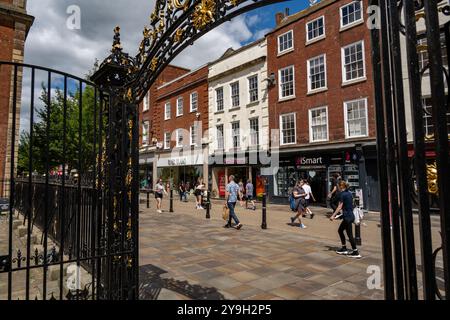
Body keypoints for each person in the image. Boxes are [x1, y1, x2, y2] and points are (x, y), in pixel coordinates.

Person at [330, 181, 361, 258]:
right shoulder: (350, 193)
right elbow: (351, 205)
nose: (337, 188)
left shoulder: (342, 195)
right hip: (350, 216)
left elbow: (339, 206)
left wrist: (333, 216)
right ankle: (344, 248)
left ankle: (355, 252)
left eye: (338, 186)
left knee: (349, 235)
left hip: (347, 217)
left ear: (341, 187)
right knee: (340, 230)